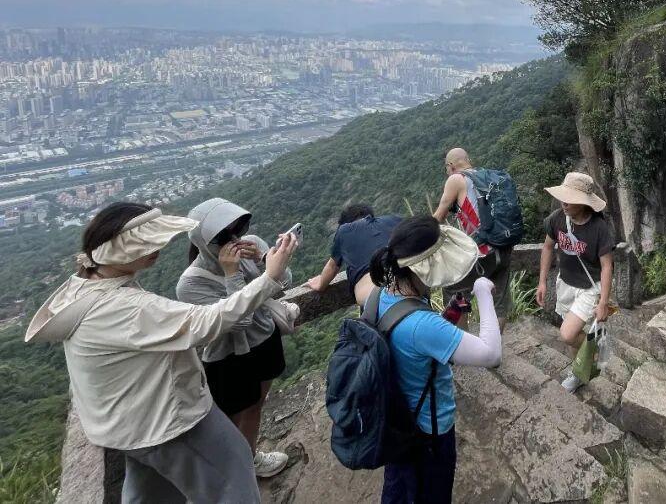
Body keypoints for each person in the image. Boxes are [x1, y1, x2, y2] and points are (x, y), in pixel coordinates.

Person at [25, 202, 299, 504]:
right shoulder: (125, 306)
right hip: (170, 422)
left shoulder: (89, 289)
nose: (160, 246)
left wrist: (263, 264)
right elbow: (208, 323)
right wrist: (268, 276)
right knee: (233, 481)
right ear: (121, 251)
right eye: (148, 242)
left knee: (151, 496)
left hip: (131, 427)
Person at [369, 215, 502, 504]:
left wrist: (451, 314)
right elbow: (491, 354)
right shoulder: (422, 325)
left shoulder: (381, 296)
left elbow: (413, 345)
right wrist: (483, 293)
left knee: (399, 488)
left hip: (398, 420)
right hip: (429, 432)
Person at [176, 198, 291, 479]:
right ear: (204, 242)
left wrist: (263, 259)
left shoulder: (251, 244)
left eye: (236, 230)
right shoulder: (191, 284)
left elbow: (284, 280)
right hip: (229, 358)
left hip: (265, 340)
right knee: (229, 417)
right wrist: (232, 275)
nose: (235, 240)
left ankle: (250, 460)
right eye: (224, 236)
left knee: (257, 404)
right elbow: (240, 322)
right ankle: (223, 473)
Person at [535, 172, 615, 393]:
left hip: (589, 289)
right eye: (564, 197)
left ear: (584, 202)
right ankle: (577, 372)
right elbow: (548, 247)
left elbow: (607, 266)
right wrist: (542, 282)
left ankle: (595, 350)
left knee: (568, 334)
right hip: (565, 284)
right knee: (570, 337)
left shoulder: (599, 228)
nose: (564, 202)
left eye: (570, 199)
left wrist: (604, 302)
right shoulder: (557, 218)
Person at [433, 147, 514, 330]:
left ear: (450, 165)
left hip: (482, 250)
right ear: (468, 159)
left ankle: (465, 349)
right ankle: (494, 349)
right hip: (504, 244)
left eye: (446, 168)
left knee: (454, 291)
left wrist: (415, 232)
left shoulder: (456, 179)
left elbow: (438, 216)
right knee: (499, 300)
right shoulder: (487, 176)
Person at [305, 202, 402, 304]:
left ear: (346, 223)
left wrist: (320, 284)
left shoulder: (344, 230)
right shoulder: (394, 220)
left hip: (376, 298)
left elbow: (332, 267)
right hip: (409, 283)